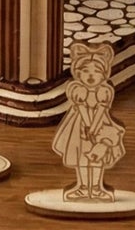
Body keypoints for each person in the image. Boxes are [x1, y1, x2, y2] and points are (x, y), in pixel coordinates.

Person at [52, 40, 125, 200]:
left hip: (100, 126)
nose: (91, 76)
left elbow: (101, 110)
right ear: (78, 73)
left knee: (99, 156)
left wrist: (93, 128)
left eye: (96, 71)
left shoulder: (105, 91)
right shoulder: (77, 89)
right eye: (85, 71)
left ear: (104, 74)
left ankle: (97, 188)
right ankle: (83, 187)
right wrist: (87, 126)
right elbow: (81, 108)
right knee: (82, 156)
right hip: (80, 125)